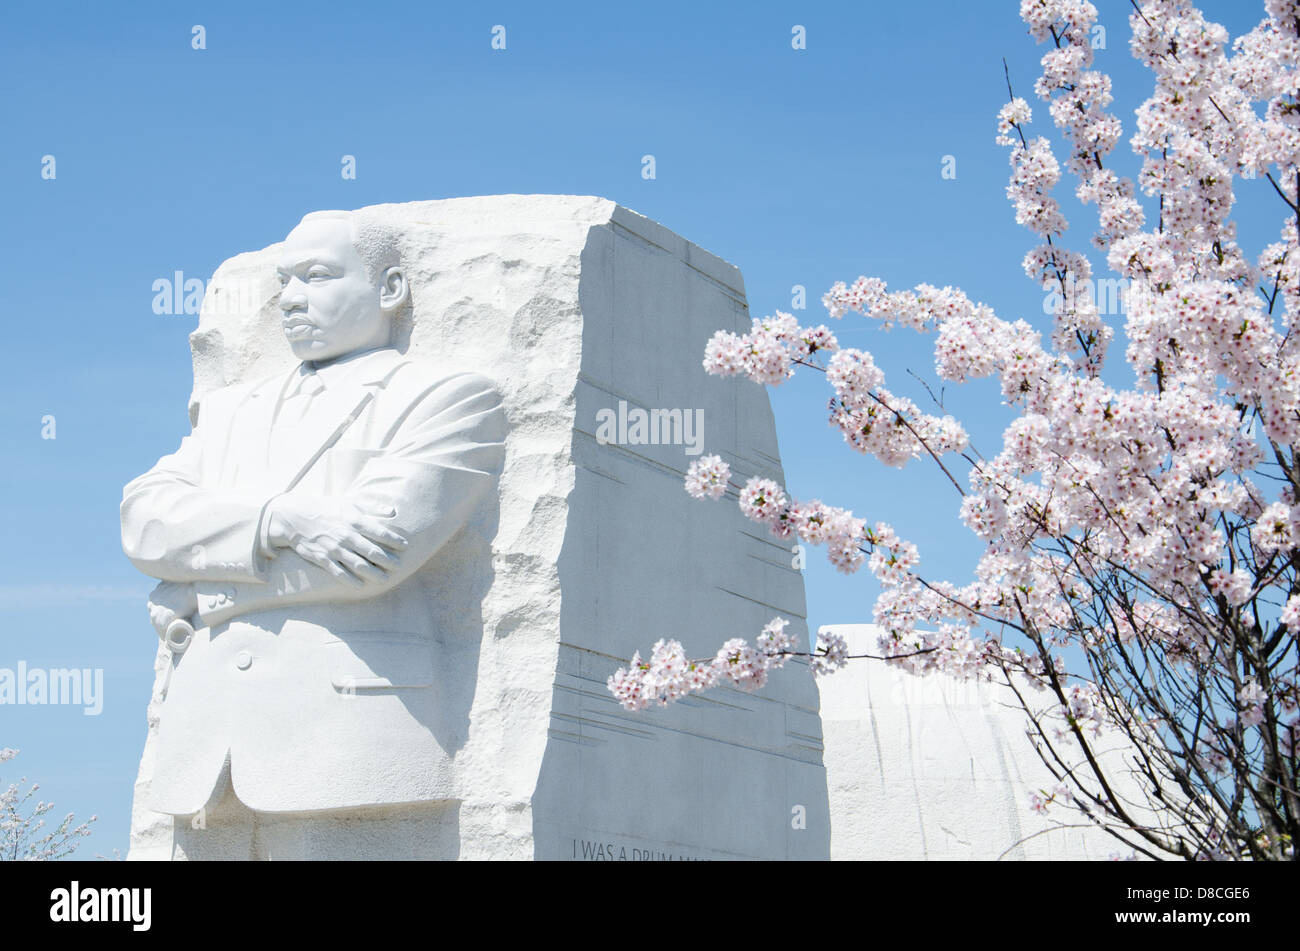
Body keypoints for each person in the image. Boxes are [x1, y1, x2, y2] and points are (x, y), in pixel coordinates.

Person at [121, 210, 507, 855]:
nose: (292, 299)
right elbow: (143, 520)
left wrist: (197, 593)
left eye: (318, 276)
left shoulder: (445, 397)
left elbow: (375, 557)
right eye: (285, 281)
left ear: (390, 289)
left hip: (350, 736)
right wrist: (280, 521)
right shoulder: (228, 413)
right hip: (203, 751)